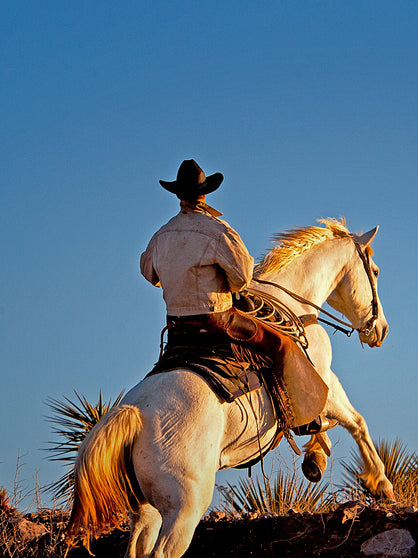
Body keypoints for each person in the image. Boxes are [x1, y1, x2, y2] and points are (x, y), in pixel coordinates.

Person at [140, 159, 328, 434]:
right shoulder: (218, 231)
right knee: (283, 345)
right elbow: (243, 277)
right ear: (204, 194)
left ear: (178, 195)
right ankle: (303, 419)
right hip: (217, 323)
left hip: (177, 330)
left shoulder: (160, 236)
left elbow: (148, 272)